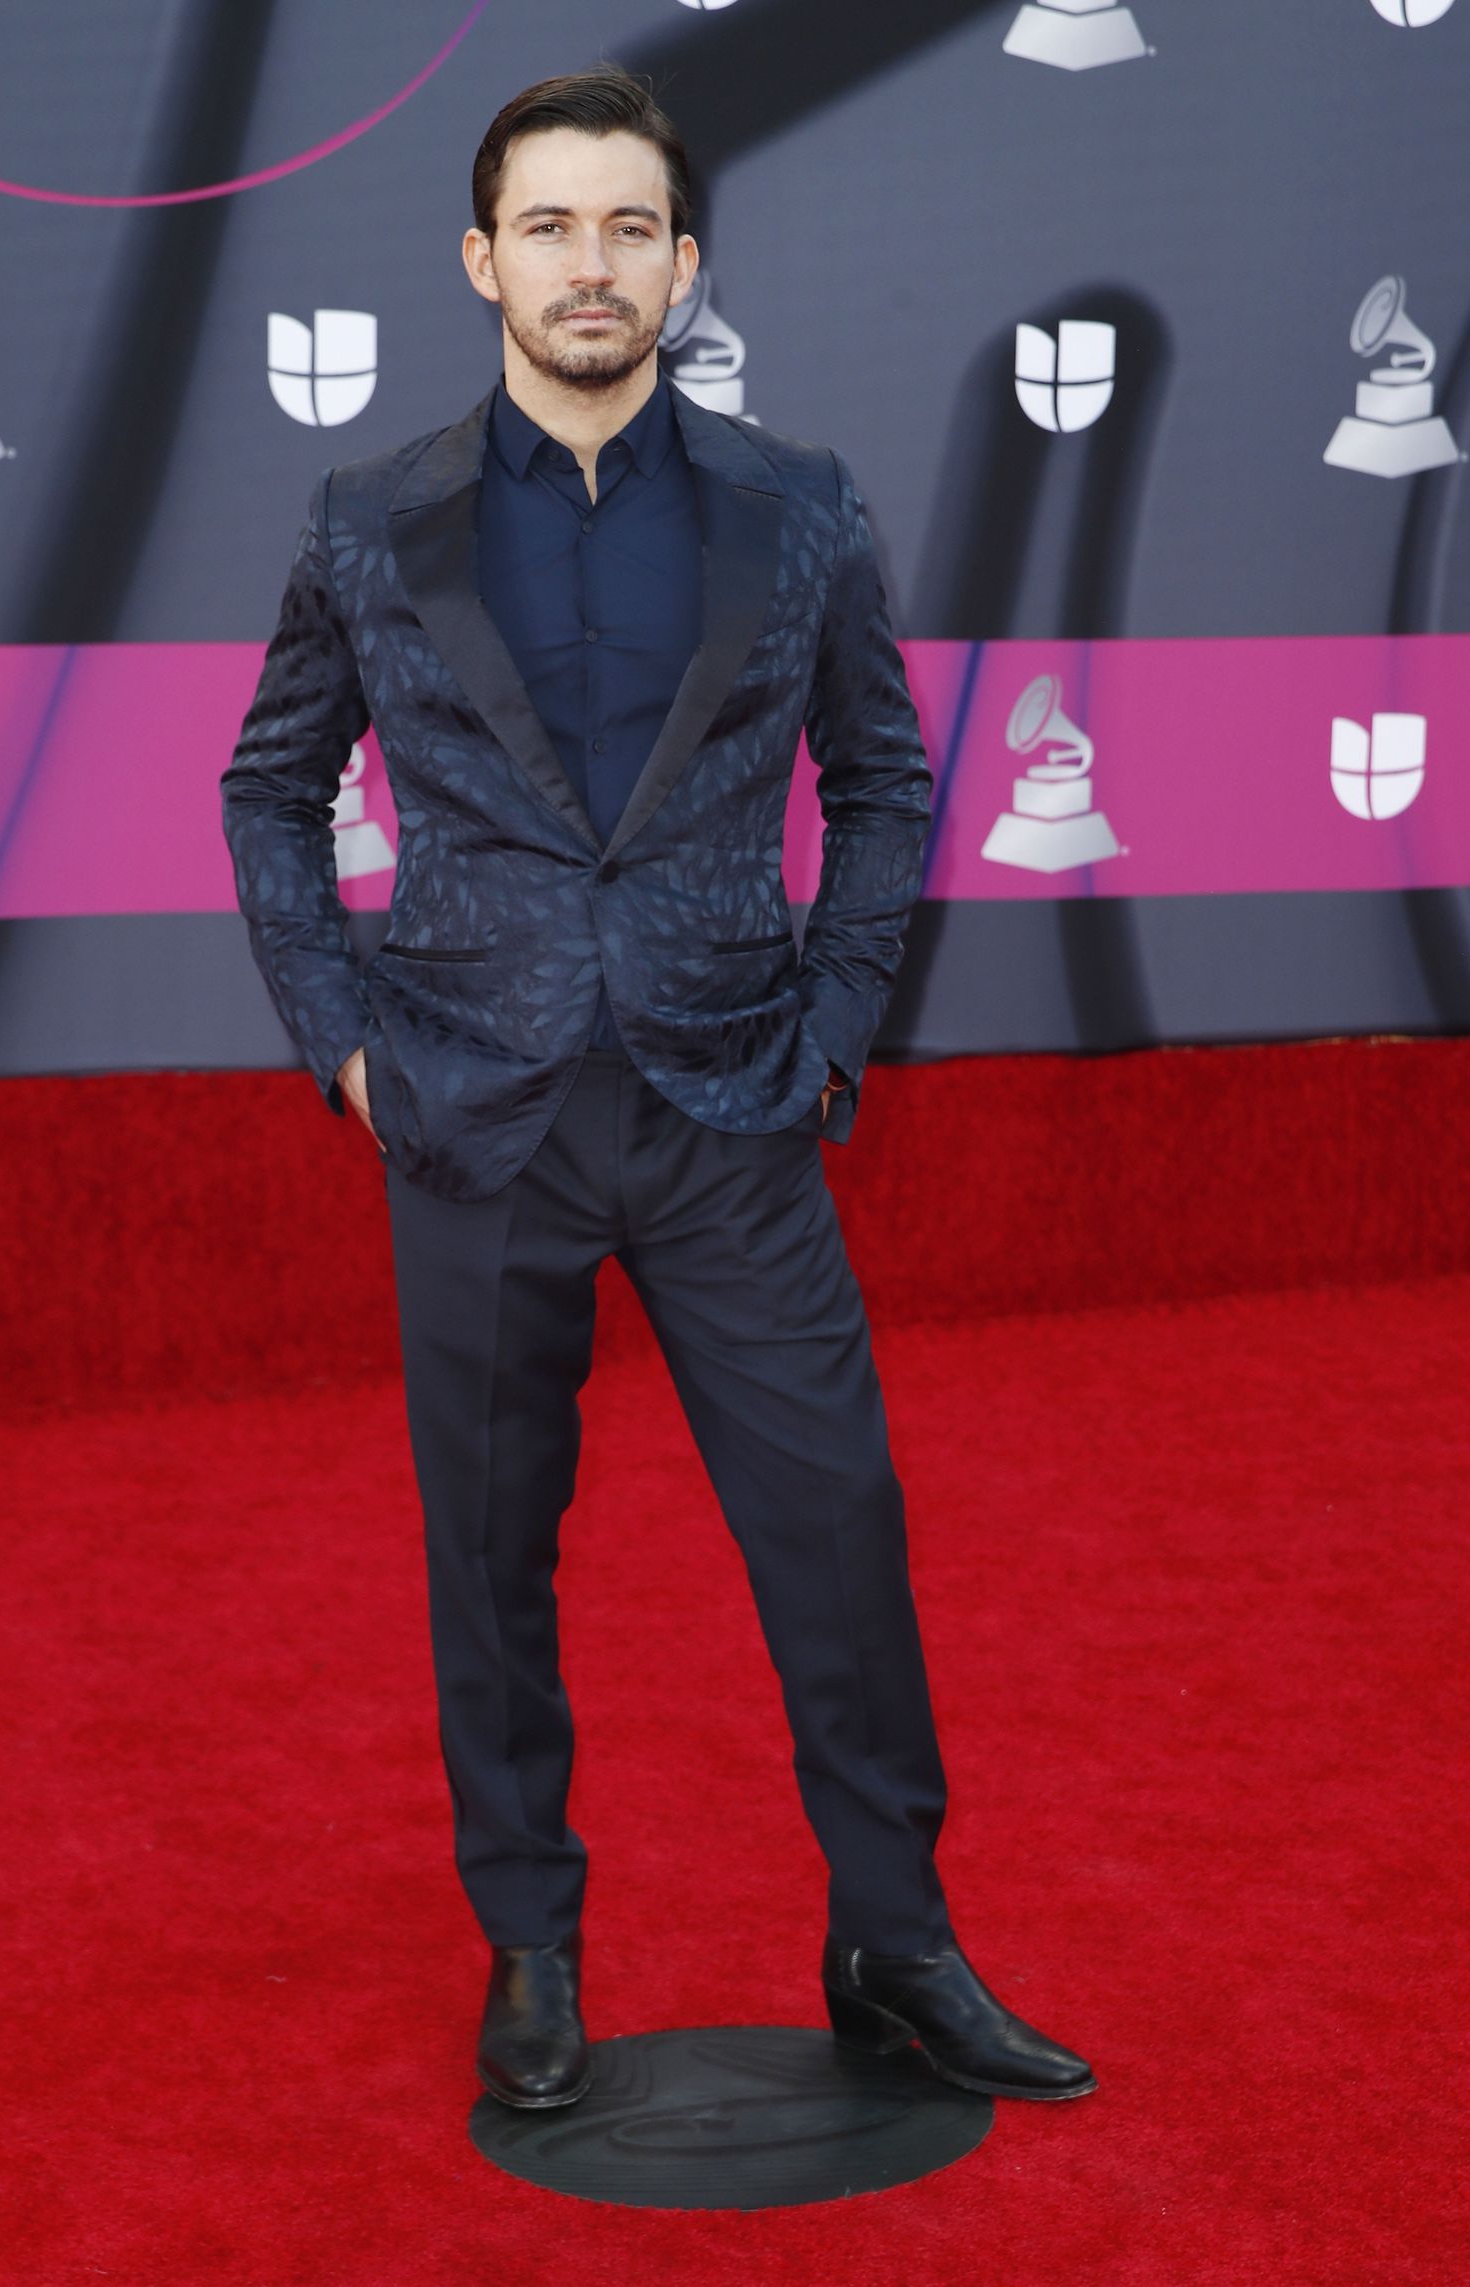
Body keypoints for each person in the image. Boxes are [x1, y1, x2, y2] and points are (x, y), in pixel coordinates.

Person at [221, 63, 1094, 2114]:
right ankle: (529, 1943)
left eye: (629, 227)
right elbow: (271, 788)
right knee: (489, 1556)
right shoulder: (370, 517)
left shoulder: (800, 506)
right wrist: (342, 1047)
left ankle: (893, 1938)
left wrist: (833, 1028)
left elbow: (882, 781)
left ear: (684, 263)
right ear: (482, 260)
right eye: (550, 226)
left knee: (838, 1526)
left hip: (731, 1110)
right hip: (470, 1117)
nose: (590, 263)